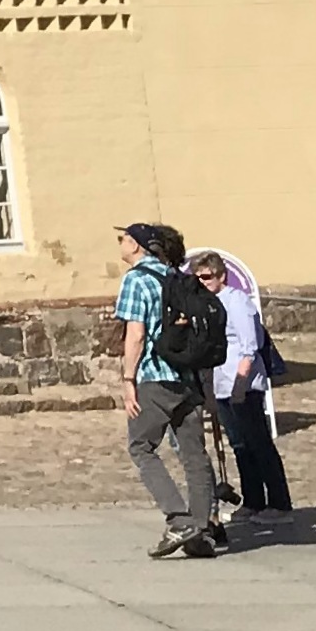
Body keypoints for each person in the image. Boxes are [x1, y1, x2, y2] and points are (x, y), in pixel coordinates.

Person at [115, 221, 223, 560]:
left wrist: (128, 380)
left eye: (123, 238)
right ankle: (202, 530)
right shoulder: (178, 278)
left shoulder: (137, 280)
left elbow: (135, 334)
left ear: (137, 246)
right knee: (194, 455)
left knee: (141, 446)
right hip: (187, 378)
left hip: (154, 376)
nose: (120, 243)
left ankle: (178, 519)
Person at [189, 248, 292, 525]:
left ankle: (280, 504)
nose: (203, 282)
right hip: (220, 382)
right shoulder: (207, 305)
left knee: (258, 442)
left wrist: (241, 384)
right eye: (197, 278)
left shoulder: (236, 301)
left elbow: (250, 345)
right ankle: (253, 501)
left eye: (207, 277)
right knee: (240, 444)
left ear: (221, 275)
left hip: (241, 381)